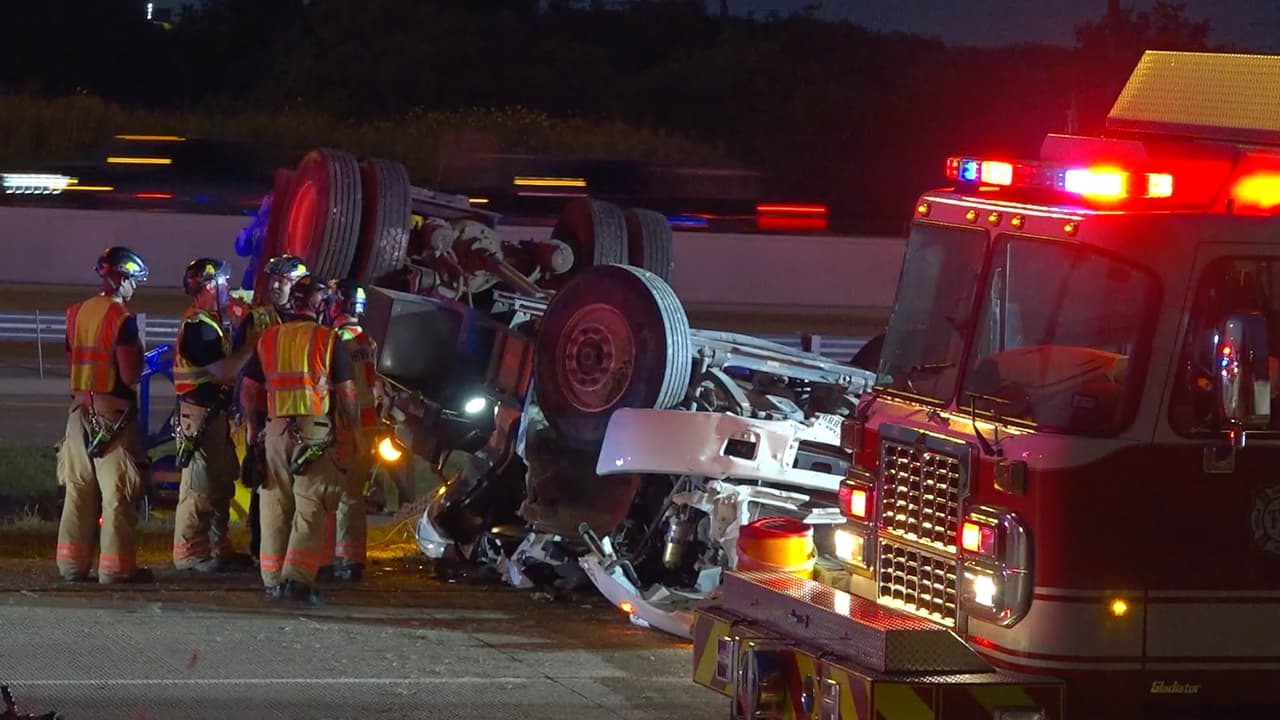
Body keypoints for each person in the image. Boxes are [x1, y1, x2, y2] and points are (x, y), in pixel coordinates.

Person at [239, 276, 365, 602]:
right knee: (312, 504)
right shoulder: (327, 339)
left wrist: (254, 430)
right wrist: (353, 432)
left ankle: (271, 579)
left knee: (274, 504)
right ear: (317, 304)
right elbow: (347, 393)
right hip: (314, 433)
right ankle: (296, 580)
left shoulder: (268, 339)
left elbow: (249, 389)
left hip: (275, 430)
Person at [56, 246, 153, 584]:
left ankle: (71, 566)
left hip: (78, 412)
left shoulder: (76, 313)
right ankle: (115, 568)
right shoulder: (121, 320)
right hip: (112, 417)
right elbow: (128, 376)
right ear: (122, 278)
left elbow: (73, 366)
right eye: (133, 281)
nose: (135, 287)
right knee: (117, 494)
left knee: (78, 489)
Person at [171, 258, 256, 572]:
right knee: (199, 487)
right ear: (209, 286)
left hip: (212, 414)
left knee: (220, 483)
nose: (227, 290)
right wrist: (251, 348)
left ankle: (219, 549)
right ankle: (190, 552)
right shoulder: (198, 328)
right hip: (199, 415)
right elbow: (224, 370)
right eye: (223, 283)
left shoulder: (210, 323)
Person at [231, 254, 309, 566]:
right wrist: (244, 416)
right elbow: (242, 368)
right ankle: (260, 548)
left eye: (283, 280)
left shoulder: (311, 321)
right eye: (273, 279)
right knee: (265, 482)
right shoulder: (259, 319)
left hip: (302, 411)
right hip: (263, 412)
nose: (276, 286)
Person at [325, 279, 379, 582]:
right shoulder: (366, 338)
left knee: (340, 495)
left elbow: (340, 386)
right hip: (368, 424)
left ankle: (342, 559)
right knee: (354, 495)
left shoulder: (339, 339)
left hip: (347, 425)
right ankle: (353, 556)